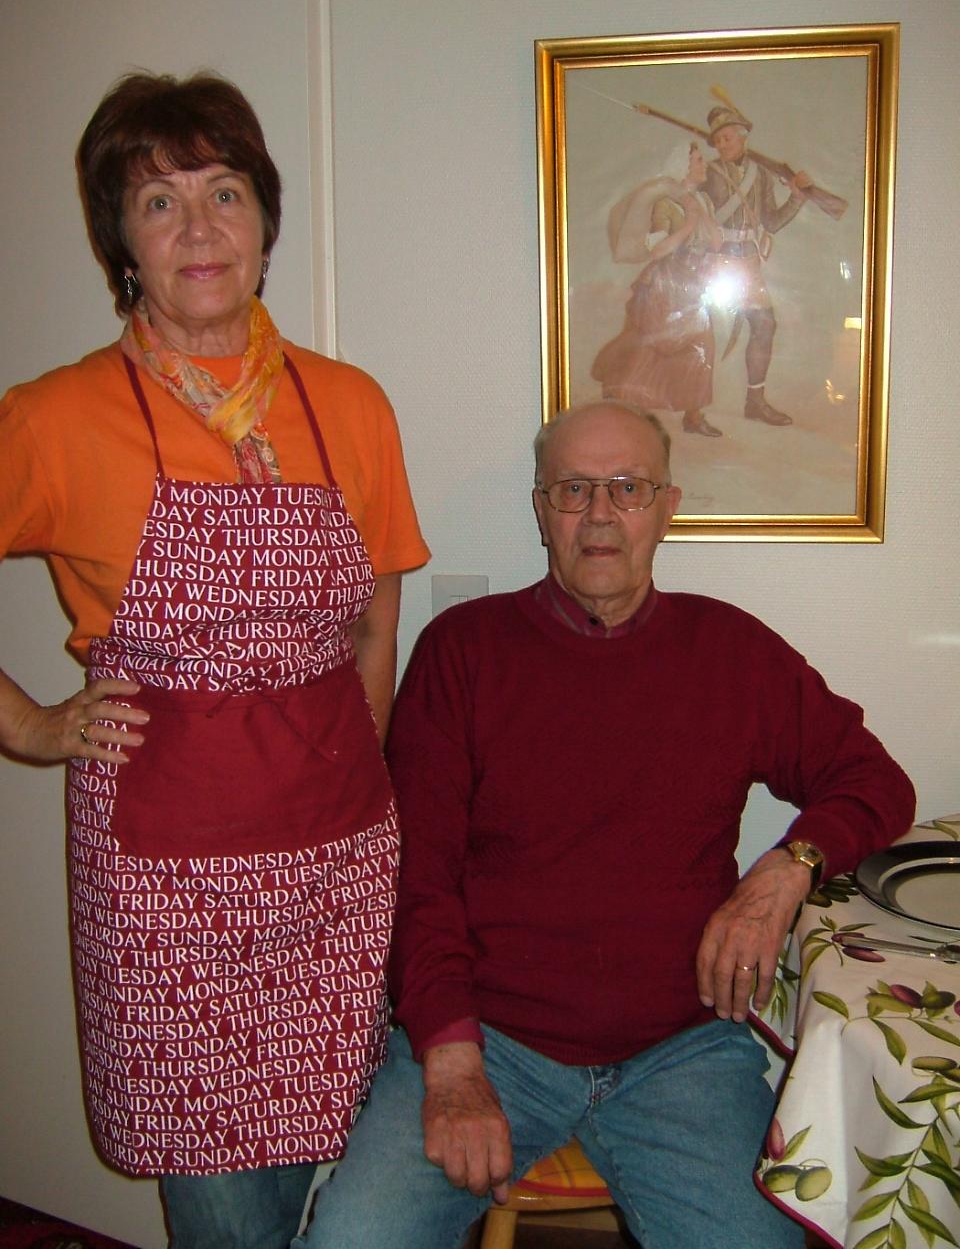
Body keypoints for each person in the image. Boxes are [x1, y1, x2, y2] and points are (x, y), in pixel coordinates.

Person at [297, 398, 914, 1249]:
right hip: (491, 1040)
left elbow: (876, 782)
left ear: (668, 506)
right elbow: (417, 877)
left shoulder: (732, 653)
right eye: (573, 489)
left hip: (682, 1049)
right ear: (541, 509)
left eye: (628, 488)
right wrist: (451, 1060)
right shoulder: (463, 652)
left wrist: (784, 870)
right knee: (351, 1240)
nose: (599, 514)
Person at [0, 72, 429, 1249]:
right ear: (121, 242)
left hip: (337, 855)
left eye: (224, 192)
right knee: (226, 1211)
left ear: (264, 222)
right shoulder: (54, 417)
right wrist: (32, 724)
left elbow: (376, 617)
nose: (199, 228)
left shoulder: (350, 404)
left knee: (336, 1166)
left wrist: (365, 771)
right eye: (159, 201)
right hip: (166, 879)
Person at [592, 141, 723, 437]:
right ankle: (619, 402)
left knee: (702, 346)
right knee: (648, 347)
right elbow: (658, 249)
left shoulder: (703, 201)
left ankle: (693, 416)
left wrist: (701, 214)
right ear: (683, 166)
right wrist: (689, 222)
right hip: (665, 284)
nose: (704, 165)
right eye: (698, 160)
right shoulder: (666, 204)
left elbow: (715, 242)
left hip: (694, 287)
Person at [700, 103, 813, 428]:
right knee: (699, 329)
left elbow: (771, 222)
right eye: (717, 140)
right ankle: (691, 408)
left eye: (727, 137)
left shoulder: (761, 175)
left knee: (764, 325)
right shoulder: (708, 173)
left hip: (748, 263)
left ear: (742, 137)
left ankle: (755, 401)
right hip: (715, 262)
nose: (722, 144)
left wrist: (797, 197)